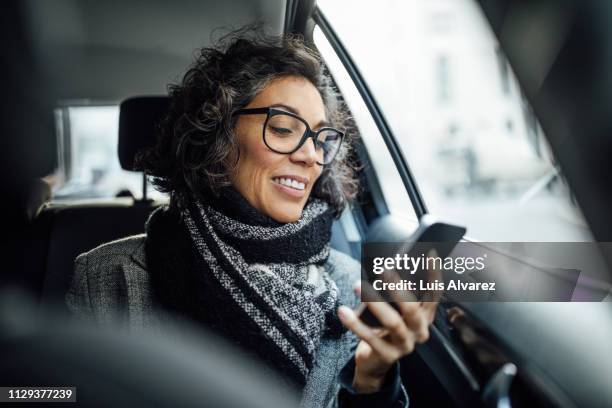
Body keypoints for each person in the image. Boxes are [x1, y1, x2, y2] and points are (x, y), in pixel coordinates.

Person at [66, 28, 437, 408]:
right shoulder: (105, 275)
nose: (311, 156)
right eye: (282, 128)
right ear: (218, 135)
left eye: (321, 138)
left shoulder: (347, 284)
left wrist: (372, 380)